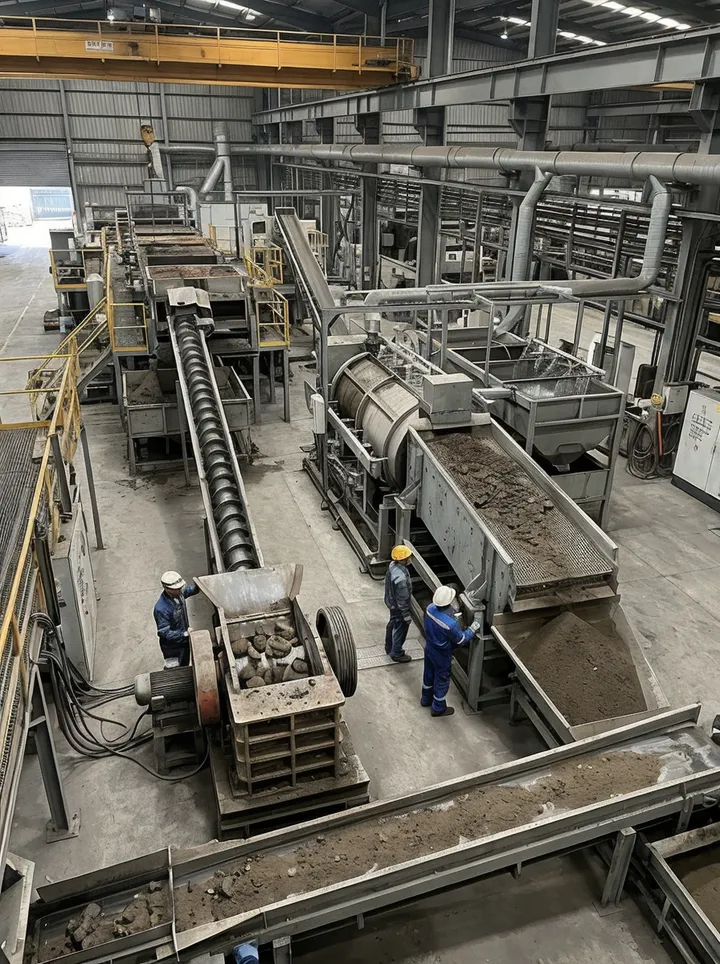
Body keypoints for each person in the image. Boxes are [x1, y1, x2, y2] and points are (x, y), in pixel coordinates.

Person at [422, 585, 481, 717]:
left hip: (429, 648)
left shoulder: (430, 609)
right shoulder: (450, 624)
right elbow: (461, 640)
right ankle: (438, 708)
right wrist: (473, 628)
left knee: (428, 673)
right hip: (441, 655)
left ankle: (425, 699)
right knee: (441, 679)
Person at [153, 571, 200, 668]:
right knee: (175, 669)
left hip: (184, 642)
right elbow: (164, 633)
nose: (179, 591)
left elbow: (188, 591)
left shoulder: (178, 593)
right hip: (172, 648)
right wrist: (184, 634)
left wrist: (197, 586)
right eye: (176, 589)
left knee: (184, 664)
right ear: (167, 589)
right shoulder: (161, 609)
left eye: (180, 588)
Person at [384, 545, 413, 663]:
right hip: (398, 607)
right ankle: (396, 653)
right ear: (403, 559)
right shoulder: (401, 579)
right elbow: (402, 598)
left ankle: (389, 647)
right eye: (408, 557)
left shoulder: (392, 566)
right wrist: (406, 615)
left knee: (392, 624)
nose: (410, 559)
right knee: (401, 629)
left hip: (391, 602)